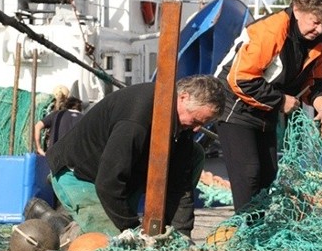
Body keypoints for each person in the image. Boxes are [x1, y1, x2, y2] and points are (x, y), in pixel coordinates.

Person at [214, 0, 322, 213]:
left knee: (268, 174)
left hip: (267, 107)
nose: (320, 30)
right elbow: (241, 79)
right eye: (316, 22)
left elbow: (316, 80)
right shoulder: (270, 31)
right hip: (235, 104)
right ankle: (247, 234)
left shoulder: (316, 42)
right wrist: (282, 101)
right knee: (249, 172)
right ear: (297, 10)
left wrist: (321, 106)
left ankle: (259, 228)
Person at [45, 75, 226, 240]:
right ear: (183, 97)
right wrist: (132, 229)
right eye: (195, 121)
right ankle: (62, 228)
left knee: (195, 154)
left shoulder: (182, 124)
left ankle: (85, 224)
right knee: (114, 243)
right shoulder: (135, 120)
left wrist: (181, 236)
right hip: (81, 176)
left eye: (202, 124)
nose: (196, 129)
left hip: (125, 176)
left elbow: (180, 186)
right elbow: (108, 182)